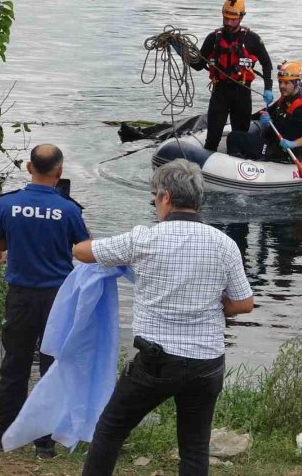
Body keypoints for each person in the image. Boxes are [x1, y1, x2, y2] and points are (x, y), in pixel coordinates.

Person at [73, 159, 254, 476]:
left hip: (156, 362)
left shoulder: (144, 239)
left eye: (155, 196)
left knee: (111, 429)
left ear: (167, 197)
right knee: (195, 447)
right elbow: (244, 303)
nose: (155, 203)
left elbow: (83, 252)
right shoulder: (224, 244)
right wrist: (214, 302)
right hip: (206, 362)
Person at [0, 144, 90, 459]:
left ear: (29, 168)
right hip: (57, 298)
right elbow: (84, 251)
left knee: (14, 364)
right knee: (52, 368)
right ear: (59, 173)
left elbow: (1, 243)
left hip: (20, 296)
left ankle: (2, 430)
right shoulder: (70, 210)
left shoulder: (8, 204)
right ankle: (44, 443)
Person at [178, 0, 274, 152]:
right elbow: (198, 65)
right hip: (220, 94)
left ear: (241, 17)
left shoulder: (252, 39)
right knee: (212, 138)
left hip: (242, 94)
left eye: (233, 19)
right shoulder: (213, 38)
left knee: (239, 137)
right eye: (226, 18)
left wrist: (268, 88)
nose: (229, 23)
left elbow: (267, 64)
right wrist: (180, 50)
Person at [226, 60, 302, 162]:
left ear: (297, 83)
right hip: (274, 143)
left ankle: (236, 168)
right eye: (280, 82)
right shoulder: (285, 100)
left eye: (286, 83)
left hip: (284, 151)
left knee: (234, 138)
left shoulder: (301, 107)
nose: (281, 86)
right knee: (241, 134)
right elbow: (269, 112)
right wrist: (256, 118)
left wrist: (293, 143)